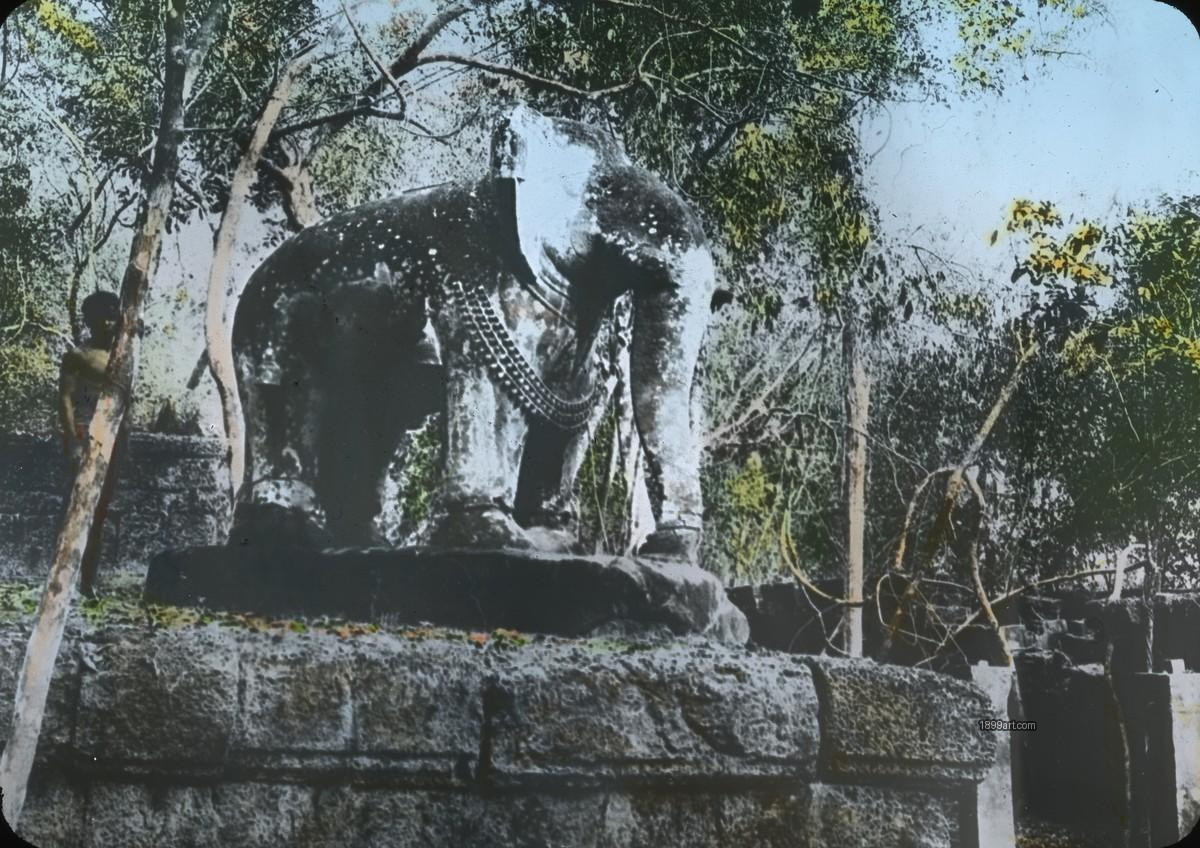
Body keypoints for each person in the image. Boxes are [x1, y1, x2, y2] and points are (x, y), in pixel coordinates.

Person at [58, 290, 124, 598]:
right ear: (91, 320)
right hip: (86, 433)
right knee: (76, 507)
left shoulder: (123, 356)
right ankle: (62, 576)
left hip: (114, 436)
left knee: (100, 512)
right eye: (103, 316)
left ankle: (87, 581)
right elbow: (67, 399)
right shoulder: (79, 356)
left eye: (114, 315)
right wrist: (73, 442)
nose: (110, 322)